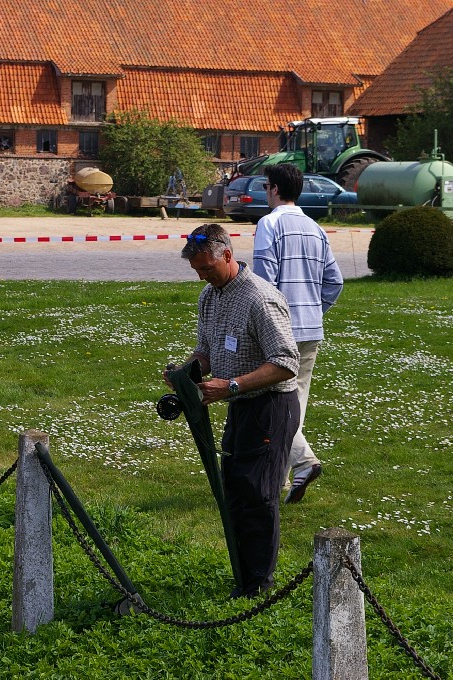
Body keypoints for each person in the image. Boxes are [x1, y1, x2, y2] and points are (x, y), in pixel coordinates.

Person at [166, 223, 301, 598]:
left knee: (258, 494)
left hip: (271, 406)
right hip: (240, 406)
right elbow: (206, 352)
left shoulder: (260, 298)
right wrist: (184, 373)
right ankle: (245, 576)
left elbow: (287, 362)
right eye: (197, 271)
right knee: (237, 490)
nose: (203, 276)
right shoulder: (210, 296)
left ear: (227, 255)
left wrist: (232, 385)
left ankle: (259, 586)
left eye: (207, 268)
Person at [253, 163, 343, 504]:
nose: (265, 192)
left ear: (275, 189)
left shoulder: (269, 223)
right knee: (296, 404)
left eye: (265, 186)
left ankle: (304, 463)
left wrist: (264, 322)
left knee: (277, 407)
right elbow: (335, 281)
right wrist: (316, 311)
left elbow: (263, 283)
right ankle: (280, 480)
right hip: (311, 330)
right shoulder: (315, 228)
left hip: (279, 330)